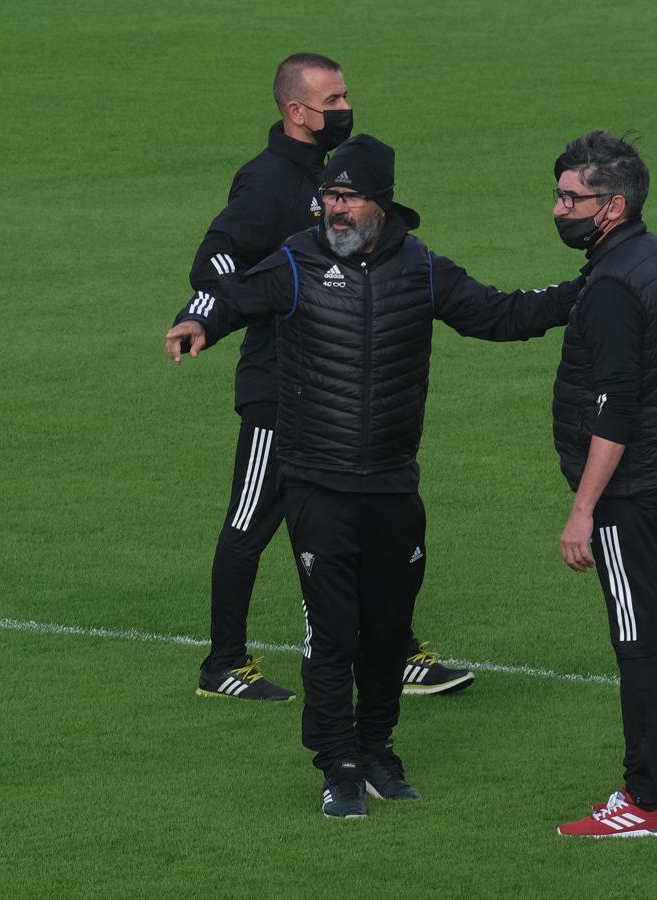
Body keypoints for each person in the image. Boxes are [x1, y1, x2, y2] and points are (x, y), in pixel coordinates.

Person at [167, 135, 582, 817]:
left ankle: (378, 748)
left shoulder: (420, 270)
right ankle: (336, 763)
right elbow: (231, 295)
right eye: (329, 195)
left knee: (388, 631)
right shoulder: (295, 262)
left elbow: (500, 315)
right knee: (332, 633)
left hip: (391, 483)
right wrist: (195, 320)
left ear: (380, 205)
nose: (334, 208)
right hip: (317, 484)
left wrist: (582, 291)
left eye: (347, 197)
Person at [183, 53, 472, 702]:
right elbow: (215, 259)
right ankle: (222, 664)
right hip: (279, 391)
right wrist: (227, 307)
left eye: (345, 97)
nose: (344, 109)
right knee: (251, 521)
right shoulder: (265, 186)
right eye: (333, 100)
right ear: (296, 110)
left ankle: (393, 650)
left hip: (335, 390)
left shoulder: (326, 176)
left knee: (362, 521)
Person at [546, 131, 657, 839]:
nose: (557, 210)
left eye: (569, 197)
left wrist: (584, 509)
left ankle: (642, 801)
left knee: (637, 640)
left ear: (611, 206)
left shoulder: (610, 284)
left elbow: (613, 408)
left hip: (625, 493)